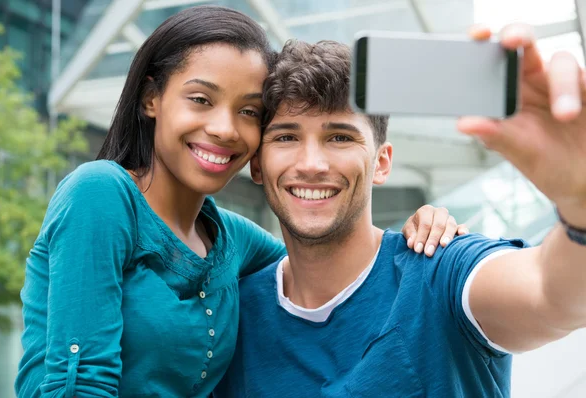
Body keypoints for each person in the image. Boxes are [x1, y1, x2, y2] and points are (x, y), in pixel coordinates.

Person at [14, 5, 463, 398]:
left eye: (248, 111)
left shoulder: (232, 240)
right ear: (152, 98)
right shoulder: (100, 194)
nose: (225, 129)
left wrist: (422, 226)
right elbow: (83, 383)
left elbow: (334, 259)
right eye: (200, 99)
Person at [214, 24, 586, 398]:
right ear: (257, 165)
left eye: (340, 137)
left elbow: (552, 295)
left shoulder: (440, 274)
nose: (312, 164)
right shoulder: (231, 314)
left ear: (381, 163)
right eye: (286, 137)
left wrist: (579, 202)